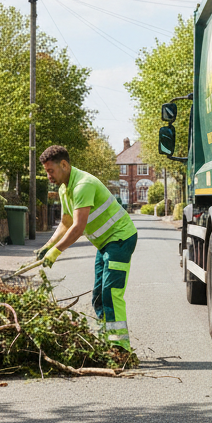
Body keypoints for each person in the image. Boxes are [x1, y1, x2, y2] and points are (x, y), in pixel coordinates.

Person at [33, 144, 140, 350]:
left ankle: (120, 347)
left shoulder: (83, 185)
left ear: (64, 165)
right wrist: (46, 246)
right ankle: (106, 340)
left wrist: (56, 252)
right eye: (46, 172)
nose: (48, 176)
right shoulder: (65, 188)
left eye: (50, 171)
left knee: (110, 293)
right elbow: (65, 222)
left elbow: (78, 226)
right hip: (105, 244)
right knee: (99, 296)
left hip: (120, 240)